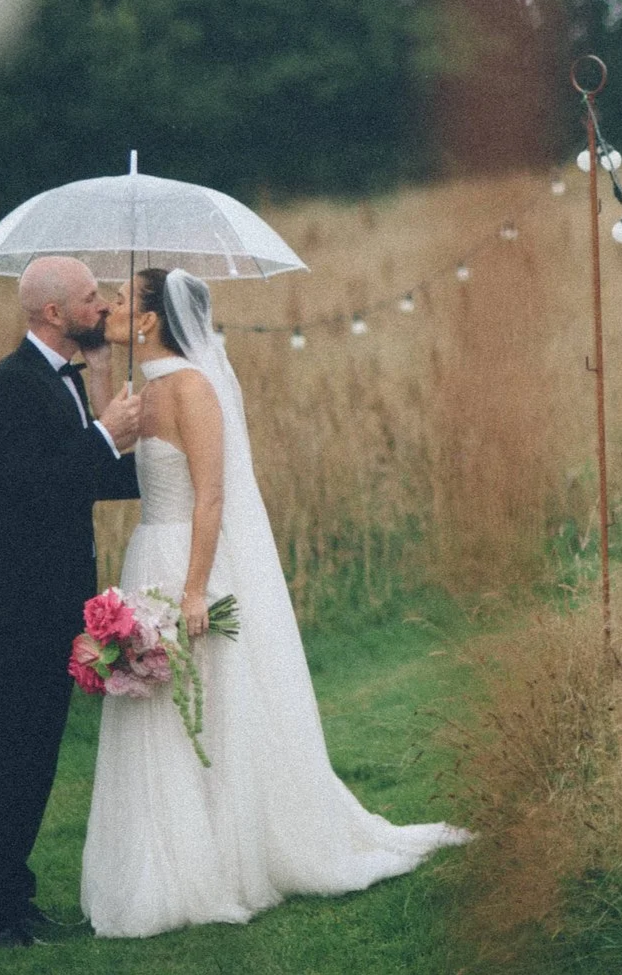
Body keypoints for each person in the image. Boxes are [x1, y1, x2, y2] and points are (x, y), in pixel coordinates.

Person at [81, 267, 471, 939]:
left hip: (186, 561)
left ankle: (230, 856)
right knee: (156, 712)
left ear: (148, 319)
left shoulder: (195, 388)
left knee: (208, 704)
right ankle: (168, 857)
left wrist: (197, 586)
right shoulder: (143, 390)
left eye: (120, 301)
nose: (110, 309)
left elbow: (211, 494)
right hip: (146, 556)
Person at [0, 255, 141, 951]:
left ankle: (15, 894)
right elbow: (32, 488)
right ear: (52, 313)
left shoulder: (61, 379)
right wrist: (104, 433)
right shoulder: (9, 388)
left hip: (53, 603)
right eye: (92, 298)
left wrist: (159, 467)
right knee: (6, 756)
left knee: (36, 756)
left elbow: (85, 477)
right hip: (14, 605)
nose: (103, 308)